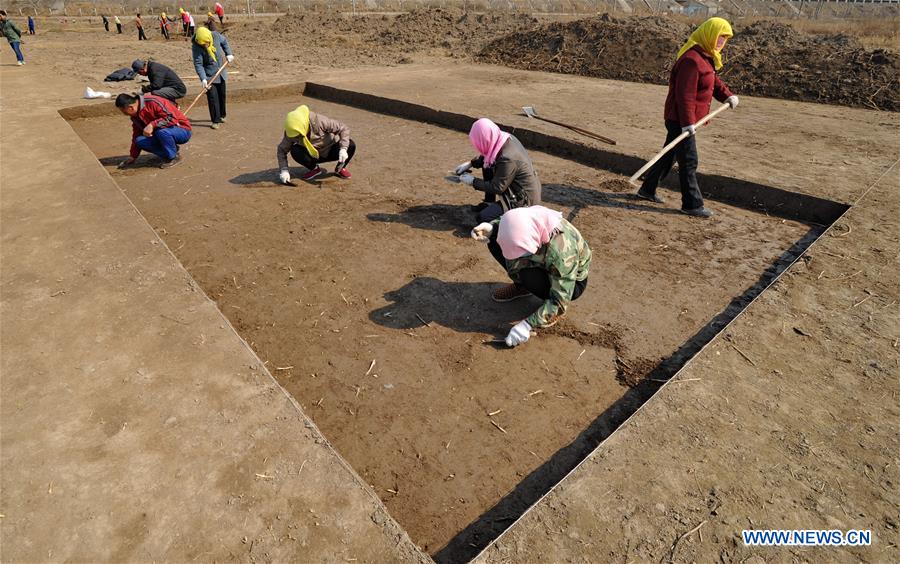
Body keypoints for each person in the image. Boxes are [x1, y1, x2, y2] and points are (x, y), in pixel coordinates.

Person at [636, 17, 739, 218]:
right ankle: (692, 204)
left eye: (724, 38)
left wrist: (727, 95)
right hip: (680, 119)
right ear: (709, 34)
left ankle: (647, 190)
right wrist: (687, 123)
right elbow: (685, 96)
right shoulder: (691, 60)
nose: (721, 42)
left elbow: (713, 82)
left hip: (686, 121)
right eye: (719, 37)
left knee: (669, 155)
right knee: (689, 160)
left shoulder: (706, 57)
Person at [471, 206, 591, 348]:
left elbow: (559, 300)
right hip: (540, 254)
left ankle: (549, 313)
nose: (514, 261)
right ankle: (522, 287)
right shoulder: (525, 219)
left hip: (571, 283)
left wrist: (527, 325)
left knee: (528, 276)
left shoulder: (562, 254)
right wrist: (492, 227)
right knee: (494, 240)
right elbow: (508, 222)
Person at [453, 118, 541, 223]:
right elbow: (488, 156)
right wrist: (470, 163)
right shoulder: (502, 138)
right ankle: (489, 203)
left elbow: (497, 187)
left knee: (483, 218)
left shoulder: (507, 158)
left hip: (523, 200)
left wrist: (473, 181)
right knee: (488, 165)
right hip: (516, 190)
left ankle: (512, 223)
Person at [277, 105, 355, 183]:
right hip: (312, 156)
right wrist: (284, 170)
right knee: (295, 150)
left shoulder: (320, 121)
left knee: (351, 145)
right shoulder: (291, 132)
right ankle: (314, 169)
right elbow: (281, 150)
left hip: (330, 150)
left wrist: (343, 149)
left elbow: (343, 128)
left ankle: (340, 168)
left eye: (299, 134)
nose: (297, 137)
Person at [115, 92, 192, 169]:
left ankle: (173, 157)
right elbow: (136, 134)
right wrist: (133, 156)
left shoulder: (153, 102)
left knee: (161, 131)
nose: (125, 114)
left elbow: (172, 118)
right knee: (139, 141)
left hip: (182, 130)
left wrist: (152, 125)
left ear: (130, 108)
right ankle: (168, 153)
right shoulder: (135, 116)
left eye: (124, 112)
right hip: (161, 134)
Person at [192, 26, 233, 129]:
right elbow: (198, 64)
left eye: (206, 43)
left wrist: (229, 54)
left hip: (221, 72)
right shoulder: (196, 46)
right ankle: (215, 120)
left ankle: (222, 115)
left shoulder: (215, 35)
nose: (205, 46)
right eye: (202, 44)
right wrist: (203, 79)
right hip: (209, 75)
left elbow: (224, 42)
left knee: (222, 95)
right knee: (212, 98)